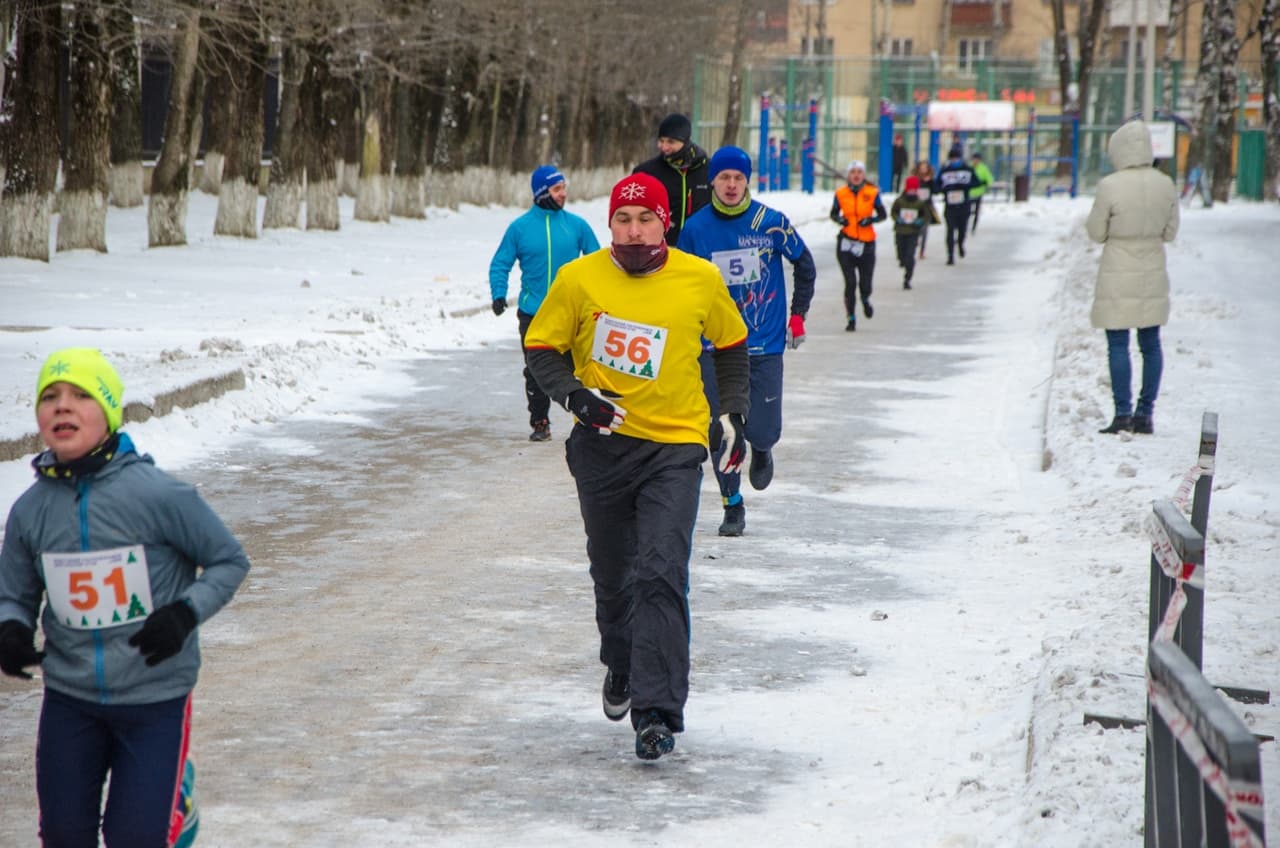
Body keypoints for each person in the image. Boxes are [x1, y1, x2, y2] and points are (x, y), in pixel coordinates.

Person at [523, 172, 749, 761]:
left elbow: (731, 344)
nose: (634, 230)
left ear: (664, 222)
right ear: (610, 225)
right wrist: (576, 398)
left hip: (674, 447)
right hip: (602, 449)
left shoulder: (699, 278)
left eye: (645, 218)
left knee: (661, 572)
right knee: (614, 573)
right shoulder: (580, 278)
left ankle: (656, 712)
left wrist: (733, 412)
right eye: (622, 220)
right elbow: (542, 348)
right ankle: (621, 662)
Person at [0, 347, 250, 848]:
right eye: (50, 396)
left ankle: (176, 800)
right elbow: (15, 593)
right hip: (70, 698)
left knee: (134, 837)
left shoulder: (159, 495)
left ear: (110, 412)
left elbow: (229, 560)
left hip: (154, 697)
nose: (62, 405)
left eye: (81, 395)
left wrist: (184, 614)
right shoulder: (29, 511)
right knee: (64, 836)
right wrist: (11, 627)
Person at [677, 146, 816, 537]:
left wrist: (797, 315)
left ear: (748, 181)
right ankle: (732, 504)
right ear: (713, 182)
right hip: (715, 348)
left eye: (739, 178)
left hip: (764, 344)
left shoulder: (769, 222)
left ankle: (763, 447)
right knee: (721, 429)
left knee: (763, 429)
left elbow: (804, 265)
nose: (732, 184)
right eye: (724, 177)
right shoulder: (695, 230)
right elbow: (680, 286)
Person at [488, 165, 601, 441]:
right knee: (535, 370)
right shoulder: (520, 228)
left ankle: (587, 418)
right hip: (534, 313)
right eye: (557, 189)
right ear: (541, 192)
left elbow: (598, 263)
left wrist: (599, 298)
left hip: (570, 313)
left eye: (564, 187)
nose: (563, 193)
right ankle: (540, 422)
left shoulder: (576, 225)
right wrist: (499, 293)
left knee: (577, 368)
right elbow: (500, 262)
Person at [1085, 120, 1179, 435]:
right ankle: (1145, 413)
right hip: (1153, 269)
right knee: (1150, 344)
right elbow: (1171, 232)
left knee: (1117, 343)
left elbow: (1096, 232)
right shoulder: (1165, 184)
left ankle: (1122, 413)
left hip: (1117, 271)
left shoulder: (1109, 186)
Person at [632, 113, 711, 246]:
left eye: (671, 142)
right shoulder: (646, 173)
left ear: (686, 141)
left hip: (699, 247)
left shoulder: (709, 170)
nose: (664, 147)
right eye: (661, 140)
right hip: (660, 248)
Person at [830, 160, 887, 331]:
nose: (856, 175)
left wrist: (871, 220)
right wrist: (840, 219)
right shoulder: (841, 193)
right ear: (848, 175)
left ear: (864, 175)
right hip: (846, 243)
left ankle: (865, 298)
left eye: (859, 172)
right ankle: (851, 317)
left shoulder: (872, 192)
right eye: (853, 172)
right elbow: (833, 213)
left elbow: (883, 214)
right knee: (850, 282)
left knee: (865, 282)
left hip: (866, 243)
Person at [889, 175, 937, 290]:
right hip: (900, 231)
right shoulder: (899, 201)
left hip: (913, 232)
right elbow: (893, 212)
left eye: (913, 189)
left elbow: (926, 215)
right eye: (910, 189)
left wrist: (919, 221)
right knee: (901, 254)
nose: (911, 191)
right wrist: (897, 219)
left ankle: (907, 278)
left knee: (910, 256)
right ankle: (902, 260)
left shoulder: (920, 203)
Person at [935, 144, 978, 265]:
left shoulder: (967, 170)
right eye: (952, 158)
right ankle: (950, 255)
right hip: (950, 205)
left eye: (956, 158)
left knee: (962, 229)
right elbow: (937, 185)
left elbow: (976, 182)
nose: (954, 160)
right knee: (949, 230)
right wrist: (945, 189)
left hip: (964, 204)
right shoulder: (945, 171)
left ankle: (960, 243)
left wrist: (965, 187)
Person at [912, 160, 937, 259]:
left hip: (927, 207)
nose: (923, 170)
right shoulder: (914, 179)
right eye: (921, 168)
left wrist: (930, 181)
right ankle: (914, 243)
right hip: (915, 207)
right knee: (916, 228)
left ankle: (922, 251)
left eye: (925, 168)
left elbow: (936, 191)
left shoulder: (931, 180)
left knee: (925, 230)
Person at [968, 151, 994, 235]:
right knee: (967, 211)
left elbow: (990, 179)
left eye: (977, 159)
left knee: (976, 211)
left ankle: (973, 227)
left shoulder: (983, 168)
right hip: (969, 193)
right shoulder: (969, 167)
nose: (975, 161)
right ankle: (966, 226)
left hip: (979, 193)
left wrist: (985, 183)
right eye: (974, 159)